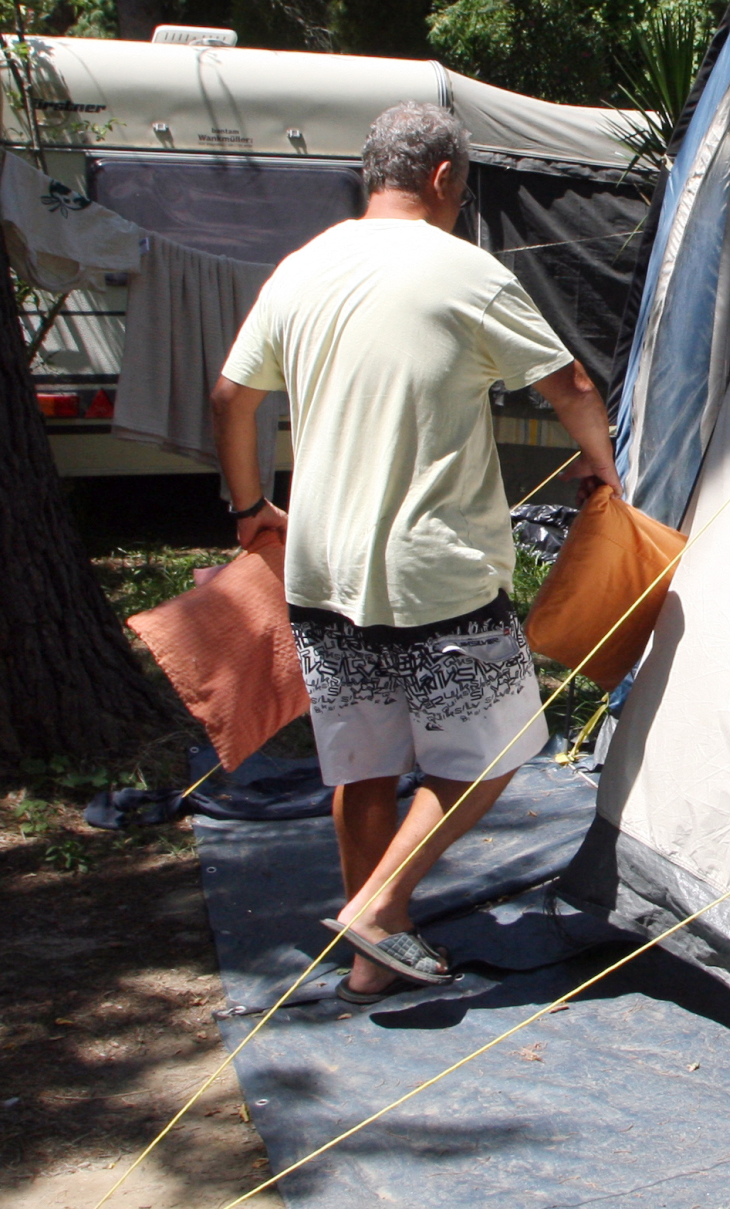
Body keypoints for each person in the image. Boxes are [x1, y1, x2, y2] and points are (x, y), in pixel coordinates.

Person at [209, 101, 619, 1007]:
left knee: (363, 764)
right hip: (437, 572)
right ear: (443, 179)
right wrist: (603, 473)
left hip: (323, 571)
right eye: (463, 190)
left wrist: (249, 509)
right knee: (501, 743)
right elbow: (572, 383)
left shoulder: (302, 268)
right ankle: (381, 908)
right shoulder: (464, 271)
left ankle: (370, 956)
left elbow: (231, 397)